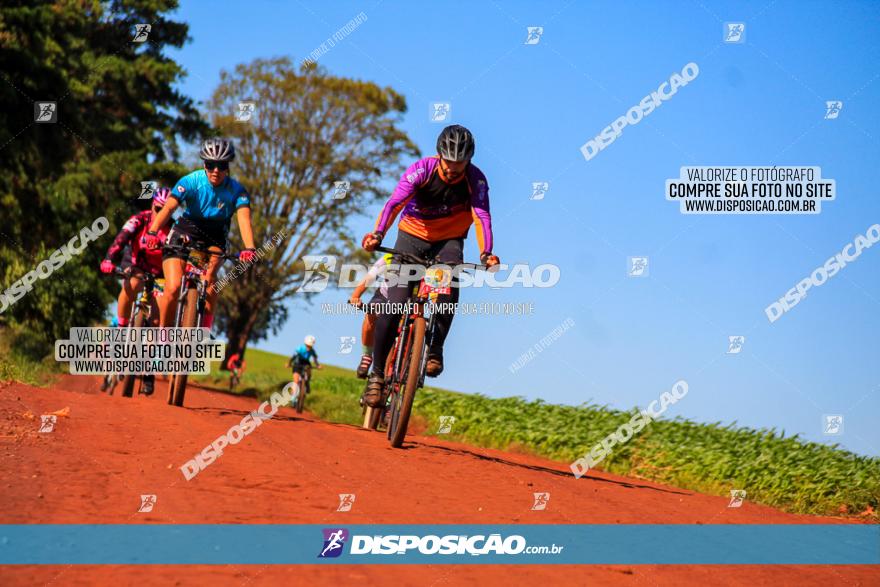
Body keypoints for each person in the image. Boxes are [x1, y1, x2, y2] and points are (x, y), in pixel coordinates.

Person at [360, 125, 499, 407]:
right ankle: (376, 377)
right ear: (439, 156)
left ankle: (435, 349)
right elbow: (394, 204)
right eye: (449, 163)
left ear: (468, 160)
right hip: (411, 237)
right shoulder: (420, 170)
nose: (453, 170)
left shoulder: (476, 180)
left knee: (448, 285)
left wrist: (487, 254)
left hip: (449, 241)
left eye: (460, 164)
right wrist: (378, 235)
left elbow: (481, 217)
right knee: (393, 305)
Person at [142, 138, 257, 331]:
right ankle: (163, 338)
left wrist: (249, 248)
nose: (216, 171)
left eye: (221, 166)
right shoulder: (190, 181)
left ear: (227, 167)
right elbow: (169, 208)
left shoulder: (237, 190)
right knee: (172, 287)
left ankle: (202, 333)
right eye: (211, 165)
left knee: (210, 281)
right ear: (204, 164)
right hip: (185, 230)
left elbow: (244, 219)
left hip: (215, 236)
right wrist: (153, 231)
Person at [99, 188, 173, 395]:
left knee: (157, 318)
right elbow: (121, 238)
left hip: (160, 274)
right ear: (152, 206)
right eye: (158, 209)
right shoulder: (139, 220)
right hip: (136, 264)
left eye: (167, 210)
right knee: (131, 284)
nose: (161, 214)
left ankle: (148, 373)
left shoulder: (175, 229)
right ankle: (121, 328)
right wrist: (108, 259)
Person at [348, 253, 393, 378]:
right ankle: (367, 356)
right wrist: (355, 296)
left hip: (410, 302)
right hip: (384, 296)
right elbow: (370, 277)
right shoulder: (389, 257)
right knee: (371, 313)